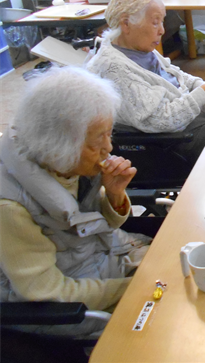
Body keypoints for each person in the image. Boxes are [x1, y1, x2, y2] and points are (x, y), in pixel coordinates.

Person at [0, 67, 154, 337]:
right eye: (99, 140)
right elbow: (48, 292)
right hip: (66, 309)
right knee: (162, 320)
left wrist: (115, 194)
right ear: (60, 145)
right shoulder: (9, 208)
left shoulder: (66, 163)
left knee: (181, 264)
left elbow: (89, 225)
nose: (109, 148)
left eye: (110, 133)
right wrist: (132, 287)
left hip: (103, 257)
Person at [85, 0, 205, 166]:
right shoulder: (114, 69)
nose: (162, 30)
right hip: (173, 140)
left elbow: (176, 74)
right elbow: (161, 120)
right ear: (126, 23)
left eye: (162, 21)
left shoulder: (137, 48)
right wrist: (202, 94)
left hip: (187, 115)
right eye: (155, 22)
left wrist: (199, 85)